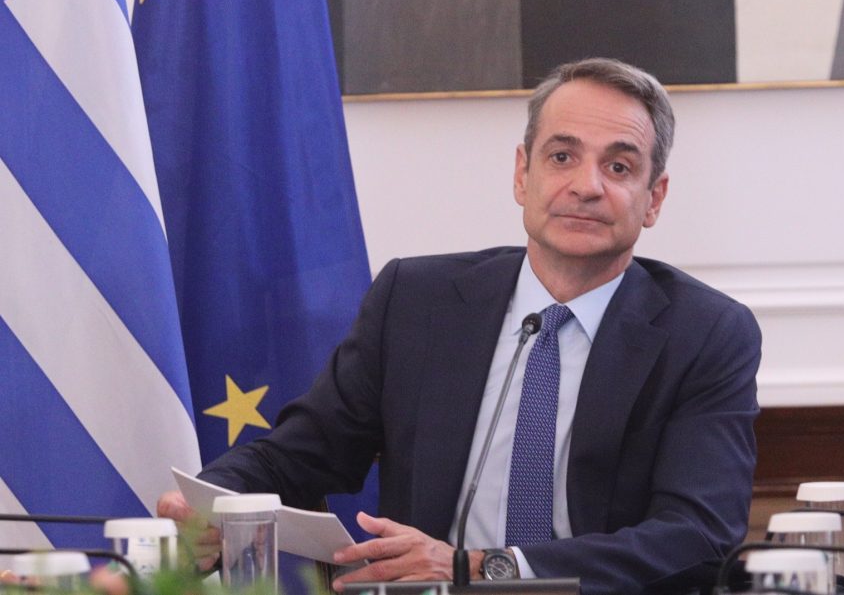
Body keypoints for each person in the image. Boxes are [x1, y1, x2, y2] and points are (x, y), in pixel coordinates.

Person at [158, 57, 761, 594]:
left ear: (654, 198)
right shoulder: (416, 301)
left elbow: (697, 535)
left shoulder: (705, 334)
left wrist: (480, 569)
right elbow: (299, 455)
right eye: (562, 157)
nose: (586, 186)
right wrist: (213, 502)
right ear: (522, 174)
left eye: (619, 166)